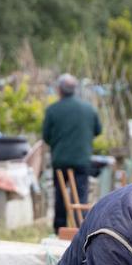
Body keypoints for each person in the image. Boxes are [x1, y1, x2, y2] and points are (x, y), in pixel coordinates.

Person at [42, 73, 102, 232]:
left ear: (59, 90)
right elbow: (98, 130)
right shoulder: (89, 109)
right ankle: (81, 229)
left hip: (60, 160)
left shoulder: (53, 110)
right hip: (82, 160)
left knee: (60, 196)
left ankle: (60, 229)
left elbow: (46, 137)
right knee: (80, 195)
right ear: (75, 90)